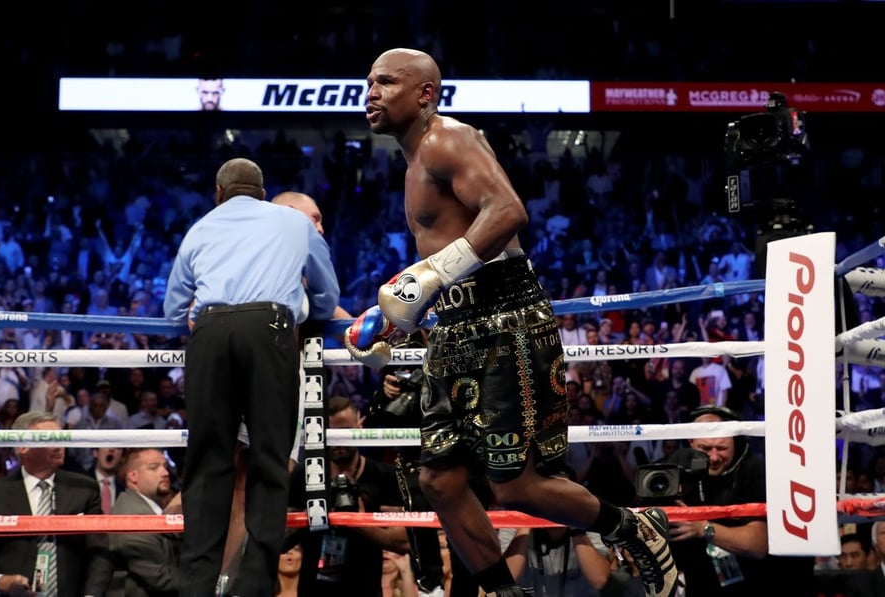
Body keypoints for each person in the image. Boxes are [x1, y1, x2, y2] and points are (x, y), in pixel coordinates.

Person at [346, 48, 677, 597]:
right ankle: (505, 592)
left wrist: (427, 279)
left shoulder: (446, 139)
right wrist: (399, 314)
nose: (371, 93)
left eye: (385, 82)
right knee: (439, 480)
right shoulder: (414, 160)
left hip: (505, 322)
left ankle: (634, 526)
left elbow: (507, 212)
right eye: (368, 83)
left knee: (516, 486)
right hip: (457, 328)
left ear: (425, 93)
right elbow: (447, 264)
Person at [163, 157, 340, 596]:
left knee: (206, 464)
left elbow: (172, 310)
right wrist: (309, 311)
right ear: (263, 193)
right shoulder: (293, 223)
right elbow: (326, 293)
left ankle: (197, 587)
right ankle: (255, 587)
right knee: (268, 461)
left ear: (219, 194)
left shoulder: (200, 227)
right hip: (270, 330)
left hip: (210, 333)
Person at [665, 405, 815, 596]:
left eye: (722, 448)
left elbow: (758, 544)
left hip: (758, 583)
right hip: (703, 581)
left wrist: (702, 527)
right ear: (691, 441)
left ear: (734, 441)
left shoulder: (754, 469)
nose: (713, 457)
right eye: (705, 448)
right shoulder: (679, 463)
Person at [0, 412, 112, 597]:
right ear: (23, 447)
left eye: (61, 438)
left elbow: (100, 553)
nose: (59, 446)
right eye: (50, 439)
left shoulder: (83, 488)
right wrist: (2, 583)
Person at [285, 396, 410, 597]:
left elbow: (403, 542)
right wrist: (312, 516)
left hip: (365, 589)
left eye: (344, 432)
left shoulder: (384, 476)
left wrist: (358, 522)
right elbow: (280, 540)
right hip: (313, 590)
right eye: (332, 433)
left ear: (359, 427)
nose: (338, 441)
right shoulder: (305, 474)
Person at [110, 448, 183, 597]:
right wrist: (209, 581)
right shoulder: (132, 517)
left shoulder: (149, 509)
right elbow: (162, 579)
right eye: (154, 468)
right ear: (133, 476)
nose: (165, 473)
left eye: (165, 466)